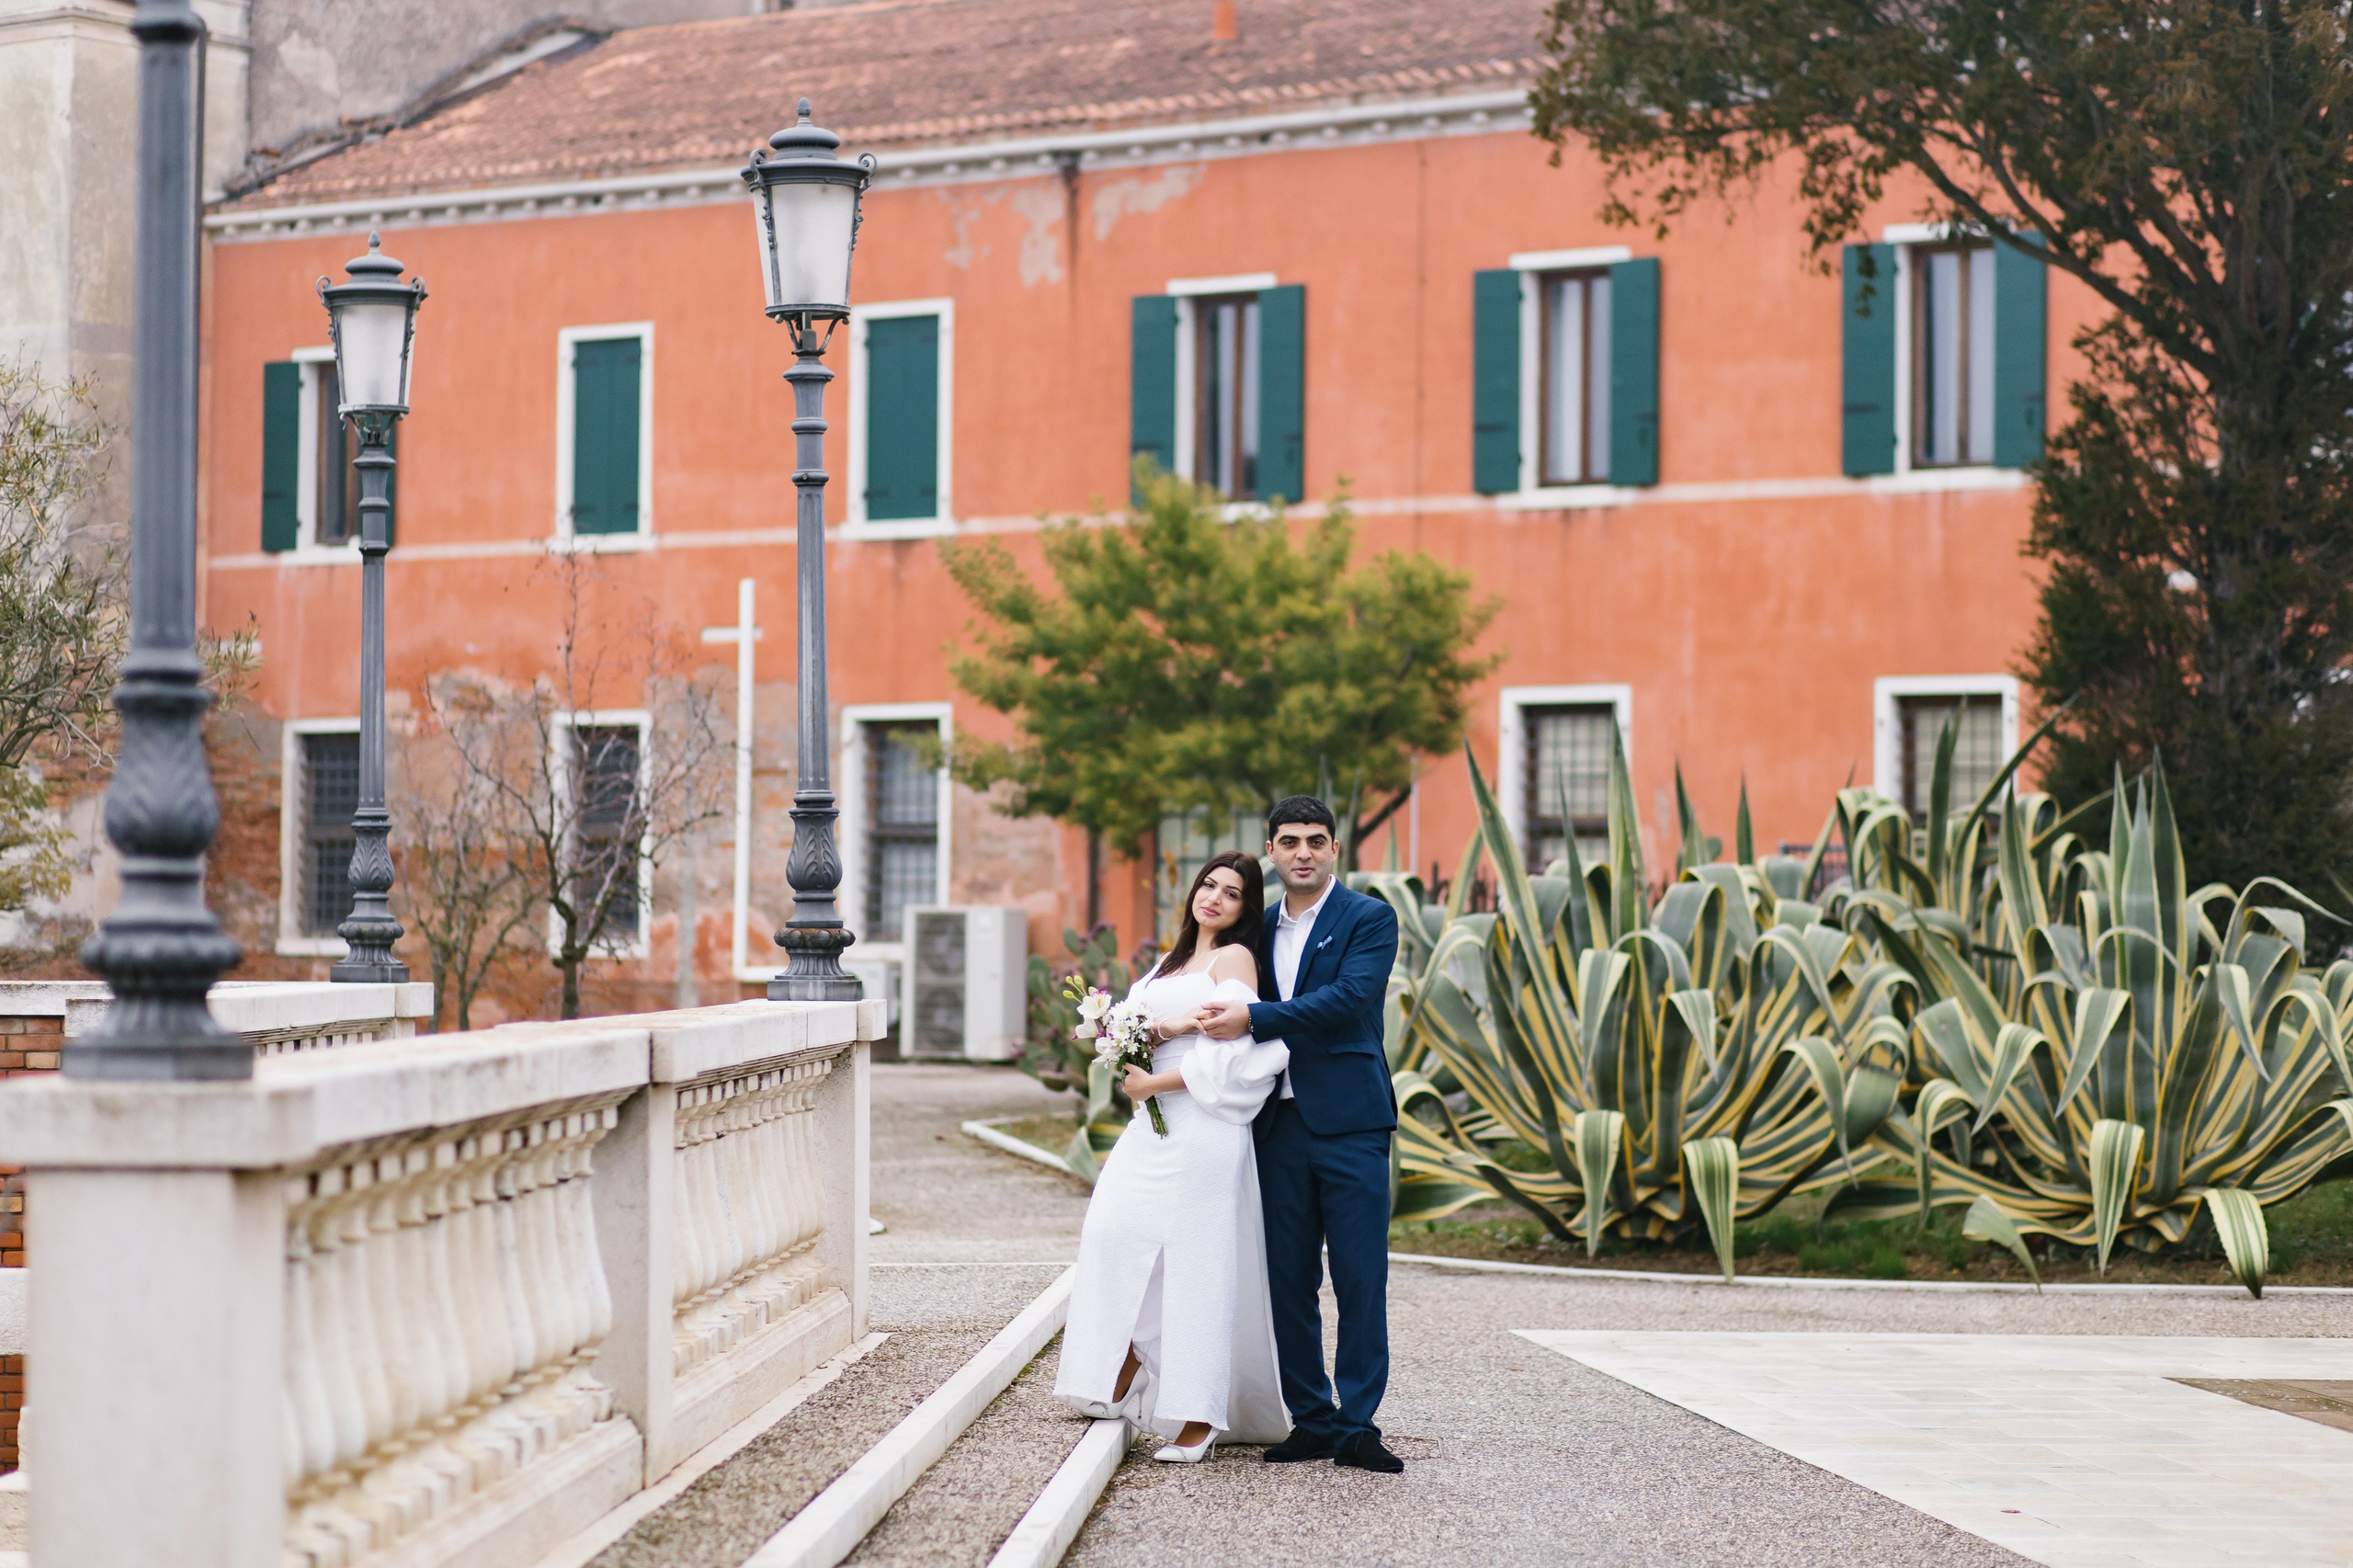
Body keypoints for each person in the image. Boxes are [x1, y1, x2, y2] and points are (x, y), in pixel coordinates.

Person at [1053, 851, 1293, 1462]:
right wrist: (1160, 1035)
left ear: (1246, 908)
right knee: (1112, 1231)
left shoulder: (1233, 959)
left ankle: (1199, 1412)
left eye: (1232, 893)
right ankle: (1131, 1353)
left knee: (1195, 1262)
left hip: (1204, 1122)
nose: (1214, 898)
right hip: (1151, 1126)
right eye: (1209, 885)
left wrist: (1156, 1082)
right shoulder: (1168, 962)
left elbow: (1236, 1051)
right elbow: (1135, 1032)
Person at [1197, 795, 1404, 1473]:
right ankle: (1311, 1418)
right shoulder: (1253, 932)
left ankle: (1358, 1424)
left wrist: (1256, 1018)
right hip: (1274, 1124)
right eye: (1289, 841)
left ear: (1335, 849)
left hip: (1351, 1122)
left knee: (1359, 1277)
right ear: (1272, 851)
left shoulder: (1368, 917)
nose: (1303, 852)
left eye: (1316, 840)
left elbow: (1349, 998)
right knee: (1287, 1279)